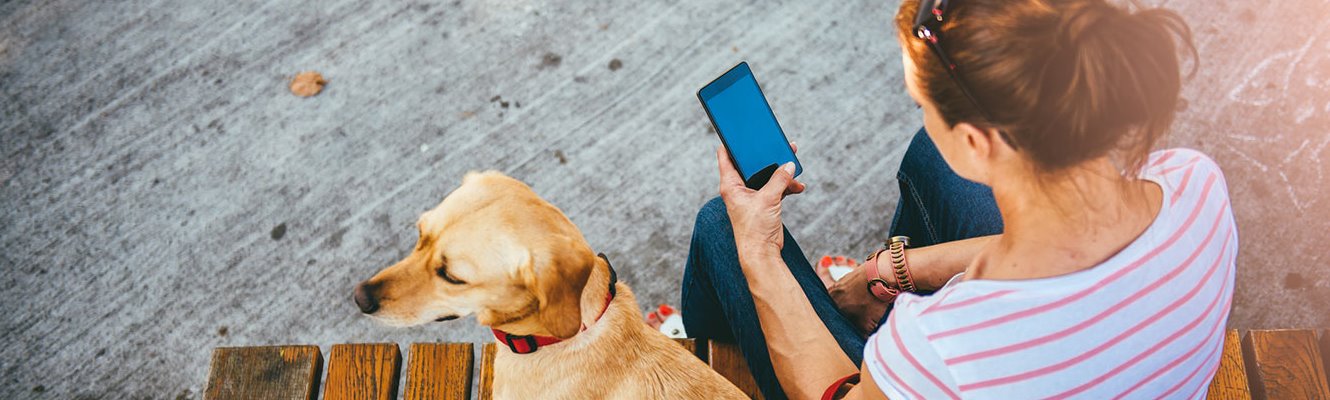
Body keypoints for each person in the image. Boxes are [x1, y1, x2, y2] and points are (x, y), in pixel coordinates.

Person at [680, 0, 1236, 398]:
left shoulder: (941, 347)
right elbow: (1067, 249)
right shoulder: (1194, 184)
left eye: (923, 103)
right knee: (930, 157)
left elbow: (836, 393)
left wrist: (759, 250)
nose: (924, 116)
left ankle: (706, 353)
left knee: (721, 226)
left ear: (974, 140)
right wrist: (893, 269)